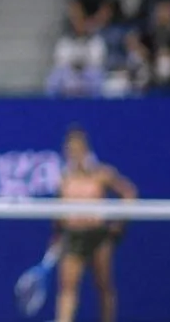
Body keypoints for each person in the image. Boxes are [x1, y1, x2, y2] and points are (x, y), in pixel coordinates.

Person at [53, 125, 137, 322]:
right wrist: (56, 236)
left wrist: (119, 224)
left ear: (86, 149)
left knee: (104, 287)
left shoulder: (102, 174)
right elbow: (57, 212)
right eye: (70, 150)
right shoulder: (64, 179)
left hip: (98, 236)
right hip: (72, 237)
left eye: (78, 149)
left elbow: (129, 193)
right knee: (67, 288)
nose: (74, 153)